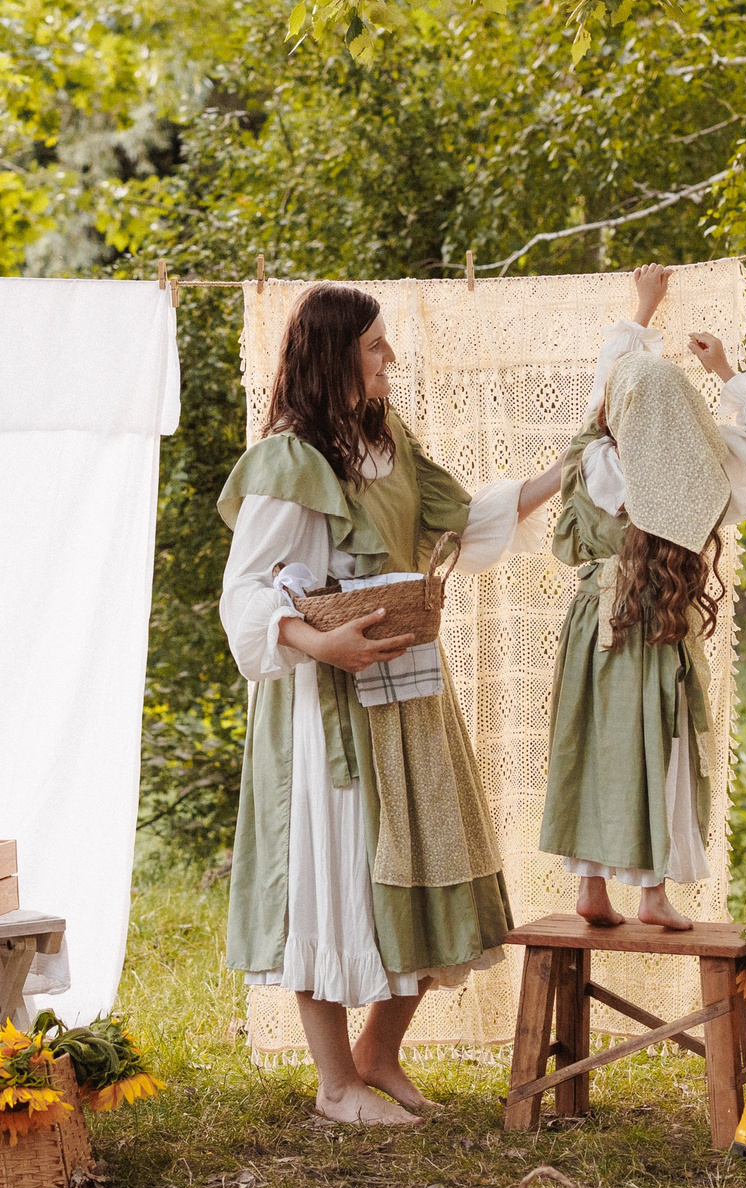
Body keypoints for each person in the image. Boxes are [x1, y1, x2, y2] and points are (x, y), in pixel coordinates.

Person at [217, 285, 561, 1125]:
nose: (390, 360)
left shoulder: (387, 440)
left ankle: (379, 1052)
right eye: (375, 346)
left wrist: (569, 466)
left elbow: (462, 518)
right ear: (335, 354)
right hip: (323, 702)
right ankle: (336, 1086)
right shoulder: (288, 459)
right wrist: (318, 642)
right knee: (332, 872)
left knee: (430, 852)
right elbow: (243, 592)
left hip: (403, 688)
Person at [538, 265, 746, 932]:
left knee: (593, 742)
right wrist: (727, 374)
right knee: (656, 745)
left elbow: (612, 384)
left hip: (594, 621)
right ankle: (649, 894)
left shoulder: (596, 457)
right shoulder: (685, 477)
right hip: (645, 621)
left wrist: (644, 311)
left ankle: (590, 885)